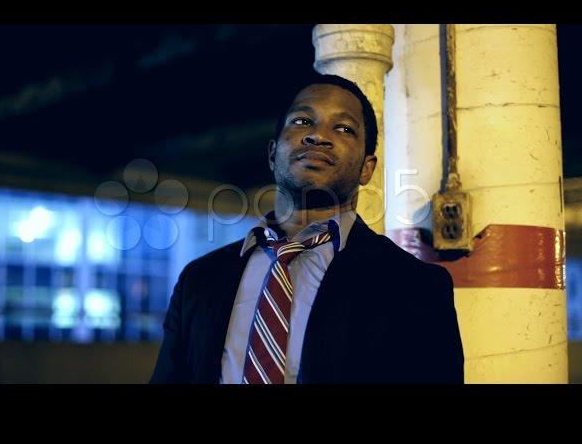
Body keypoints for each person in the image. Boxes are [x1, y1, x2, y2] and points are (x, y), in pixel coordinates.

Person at [150, 72, 464, 384]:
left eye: (343, 128)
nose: (318, 136)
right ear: (273, 154)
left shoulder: (416, 287)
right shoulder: (199, 279)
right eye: (302, 121)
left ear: (367, 169)